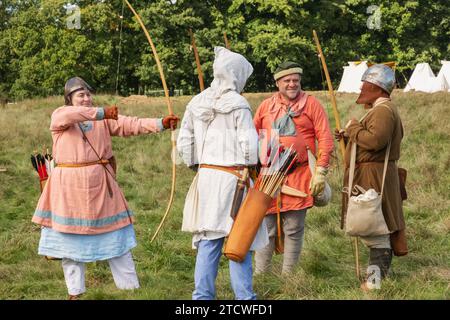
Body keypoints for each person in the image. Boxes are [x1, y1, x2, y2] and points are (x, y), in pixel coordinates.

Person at [31, 77, 179, 299]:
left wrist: (160, 123)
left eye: (88, 94)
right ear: (69, 99)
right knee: (69, 244)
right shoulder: (61, 115)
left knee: (117, 240)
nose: (86, 98)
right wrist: (101, 112)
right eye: (80, 95)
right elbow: (71, 115)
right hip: (69, 190)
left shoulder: (101, 118)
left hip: (101, 187)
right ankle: (75, 292)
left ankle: (131, 291)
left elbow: (131, 124)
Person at [177, 47, 268, 300]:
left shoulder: (196, 101)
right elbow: (249, 148)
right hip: (234, 178)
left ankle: (202, 297)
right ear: (236, 74)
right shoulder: (238, 104)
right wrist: (252, 165)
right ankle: (244, 298)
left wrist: (198, 164)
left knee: (209, 237)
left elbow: (185, 143)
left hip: (206, 177)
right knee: (240, 237)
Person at [253, 61, 334, 274]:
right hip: (269, 174)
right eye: (287, 80)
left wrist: (321, 171)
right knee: (266, 227)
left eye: (296, 80)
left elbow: (325, 138)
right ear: (278, 82)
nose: (292, 84)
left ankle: (289, 277)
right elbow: (251, 136)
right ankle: (262, 275)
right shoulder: (265, 106)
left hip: (300, 174)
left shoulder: (312, 105)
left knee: (293, 228)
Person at [336, 64, 407, 290]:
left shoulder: (383, 110)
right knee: (375, 226)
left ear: (376, 87)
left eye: (365, 83)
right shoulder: (379, 109)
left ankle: (374, 282)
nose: (361, 87)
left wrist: (354, 128)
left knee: (377, 228)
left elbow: (376, 141)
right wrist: (348, 136)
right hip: (371, 173)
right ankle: (374, 280)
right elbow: (368, 141)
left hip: (376, 175)